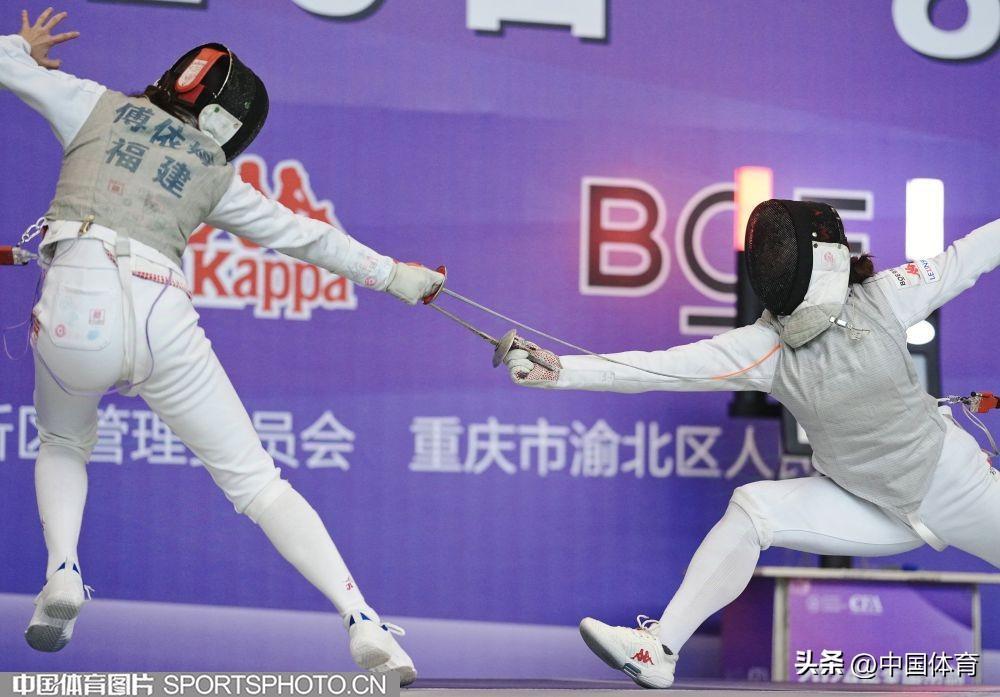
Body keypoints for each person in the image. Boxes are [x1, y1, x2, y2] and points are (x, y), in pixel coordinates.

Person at [2, 8, 445, 684]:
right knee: (258, 483)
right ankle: (364, 621)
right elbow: (307, 236)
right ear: (225, 124)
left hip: (70, 306)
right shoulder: (214, 171)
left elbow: (6, 62)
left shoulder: (90, 103)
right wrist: (397, 277)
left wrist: (23, 45)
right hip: (160, 310)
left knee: (63, 441)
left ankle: (61, 571)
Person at [502, 199, 1000, 689]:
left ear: (825, 256)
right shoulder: (765, 345)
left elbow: (969, 256)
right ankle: (658, 649)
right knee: (753, 510)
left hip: (954, 485)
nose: (774, 263)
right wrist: (561, 371)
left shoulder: (886, 296)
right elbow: (659, 368)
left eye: (782, 251)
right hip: (870, 505)